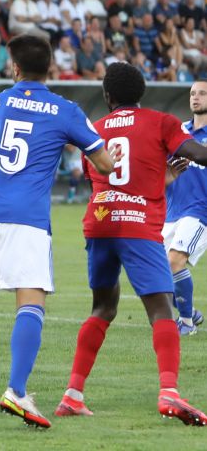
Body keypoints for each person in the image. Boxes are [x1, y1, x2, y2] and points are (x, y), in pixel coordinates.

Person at [0, 34, 115, 429]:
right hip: (28, 219)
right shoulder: (65, 109)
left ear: (14, 68)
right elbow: (107, 164)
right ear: (51, 69)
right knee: (30, 302)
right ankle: (17, 390)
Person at [55, 63, 207, 425]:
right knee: (162, 310)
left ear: (108, 96)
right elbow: (198, 154)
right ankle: (169, 392)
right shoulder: (161, 121)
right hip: (138, 226)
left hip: (100, 222)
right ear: (141, 92)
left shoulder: (96, 128)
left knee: (103, 308)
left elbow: (103, 178)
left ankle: (72, 395)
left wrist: (163, 179)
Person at [163, 81, 207, 335]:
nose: (196, 98)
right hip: (171, 210)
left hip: (199, 211)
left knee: (174, 261)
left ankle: (187, 324)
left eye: (202, 93)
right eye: (192, 93)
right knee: (153, 273)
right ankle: (189, 311)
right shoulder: (178, 132)